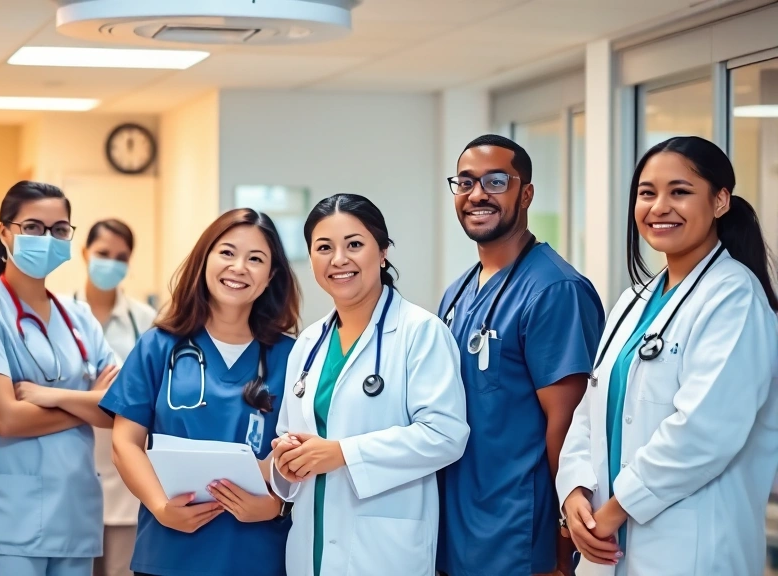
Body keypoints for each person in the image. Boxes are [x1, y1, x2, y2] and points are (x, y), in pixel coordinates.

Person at [557, 136, 778, 575]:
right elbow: (591, 407)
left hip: (692, 546)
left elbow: (704, 431)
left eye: (680, 191)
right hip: (607, 538)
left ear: (719, 201)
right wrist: (574, 492)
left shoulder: (733, 296)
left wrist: (617, 509)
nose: (659, 206)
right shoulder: (633, 301)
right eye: (646, 193)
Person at [271, 193, 470, 576]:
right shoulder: (308, 344)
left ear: (383, 252)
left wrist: (343, 453)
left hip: (385, 552)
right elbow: (288, 435)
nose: (339, 260)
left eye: (355, 245)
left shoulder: (421, 332)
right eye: (324, 247)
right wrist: (287, 459)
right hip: (309, 545)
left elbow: (446, 435)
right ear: (310, 258)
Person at [436, 135, 605, 576]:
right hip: (458, 530)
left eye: (496, 181)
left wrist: (562, 534)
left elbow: (568, 426)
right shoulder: (456, 293)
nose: (477, 195)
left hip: (520, 534)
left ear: (526, 193)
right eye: (465, 182)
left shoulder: (555, 290)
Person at [99, 208, 300, 576]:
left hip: (257, 553)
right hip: (169, 551)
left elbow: (303, 454)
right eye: (226, 252)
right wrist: (161, 507)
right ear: (204, 258)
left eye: (255, 259)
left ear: (271, 276)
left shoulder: (293, 357)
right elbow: (124, 444)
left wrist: (276, 506)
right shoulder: (158, 346)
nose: (238, 267)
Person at [0, 181, 118, 576]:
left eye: (59, 230)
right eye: (34, 228)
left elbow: (120, 409)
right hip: (8, 519)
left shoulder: (80, 319)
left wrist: (48, 396)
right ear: (5, 231)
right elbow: (6, 419)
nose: (47, 238)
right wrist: (84, 402)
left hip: (74, 515)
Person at [72, 219, 157, 576]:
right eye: (103, 253)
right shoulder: (61, 314)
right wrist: (94, 399)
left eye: (121, 257)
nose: (111, 263)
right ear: (84, 253)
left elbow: (150, 400)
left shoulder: (147, 321)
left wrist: (76, 399)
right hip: (73, 476)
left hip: (125, 484)